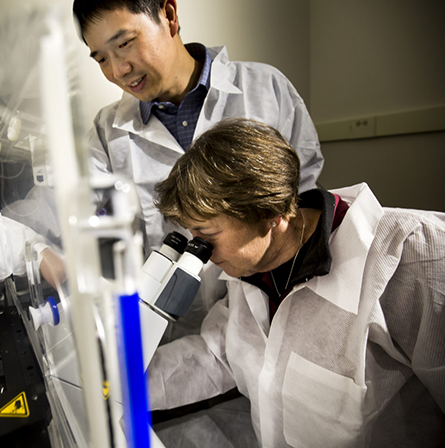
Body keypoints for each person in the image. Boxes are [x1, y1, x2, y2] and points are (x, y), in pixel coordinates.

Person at [0, 0, 325, 339]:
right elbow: (54, 204)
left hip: (272, 321)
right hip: (174, 335)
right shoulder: (107, 132)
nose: (118, 70)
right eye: (100, 58)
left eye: (125, 43)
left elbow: (301, 207)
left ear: (170, 15)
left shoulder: (265, 89)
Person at [148, 117, 445, 447]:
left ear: (270, 213)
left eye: (208, 234)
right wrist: (118, 381)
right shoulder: (250, 265)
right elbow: (219, 354)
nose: (199, 249)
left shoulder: (413, 254)